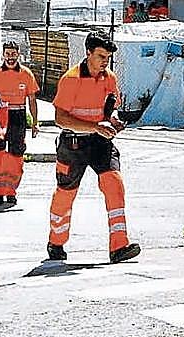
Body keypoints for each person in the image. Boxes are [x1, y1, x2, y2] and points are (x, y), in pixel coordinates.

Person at [46, 31, 140, 264]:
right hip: (73, 143)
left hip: (100, 142)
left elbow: (110, 107)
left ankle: (119, 246)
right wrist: (95, 127)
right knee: (65, 194)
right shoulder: (71, 79)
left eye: (107, 57)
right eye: (100, 56)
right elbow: (60, 119)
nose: (104, 61)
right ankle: (56, 242)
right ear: (88, 53)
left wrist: (114, 120)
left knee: (114, 184)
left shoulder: (109, 77)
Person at [0, 41, 40, 207]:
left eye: (13, 54)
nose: (10, 57)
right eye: (7, 54)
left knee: (16, 155)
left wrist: (35, 123)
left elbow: (32, 100)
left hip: (18, 116)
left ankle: (11, 191)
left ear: (19, 54)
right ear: (3, 55)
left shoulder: (26, 74)